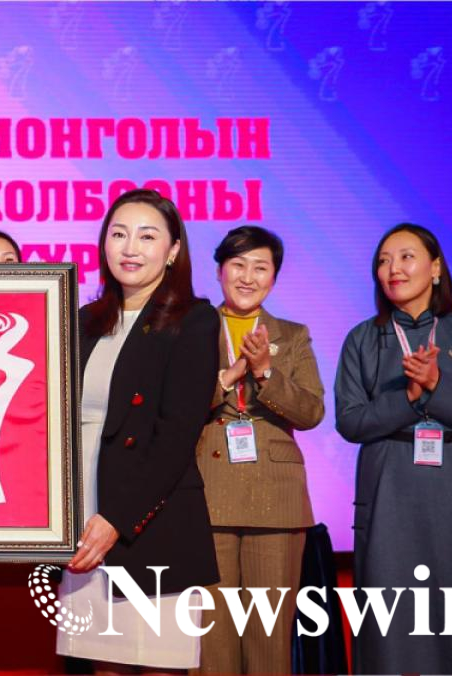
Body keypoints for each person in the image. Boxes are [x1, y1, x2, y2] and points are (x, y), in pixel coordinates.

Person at [335, 223, 452, 674]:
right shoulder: (362, 339)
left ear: (435, 268)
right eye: (383, 260)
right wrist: (408, 399)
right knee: (390, 611)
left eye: (406, 257)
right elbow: (350, 422)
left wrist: (437, 385)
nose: (393, 269)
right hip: (389, 484)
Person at [57, 189, 220, 672]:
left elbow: (177, 435)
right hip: (83, 516)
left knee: (158, 662)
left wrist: (117, 518)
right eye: (119, 234)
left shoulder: (194, 319)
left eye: (147, 237)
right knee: (101, 663)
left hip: (151, 516)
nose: (130, 248)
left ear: (172, 251)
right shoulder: (82, 321)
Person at [195, 226, 324, 674]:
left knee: (269, 640)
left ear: (274, 277)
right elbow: (174, 407)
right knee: (210, 641)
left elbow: (311, 411)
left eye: (260, 267)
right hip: (207, 491)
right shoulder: (192, 328)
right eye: (238, 265)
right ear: (219, 270)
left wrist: (267, 372)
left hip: (276, 497)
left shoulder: (293, 335)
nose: (248, 277)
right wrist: (227, 378)